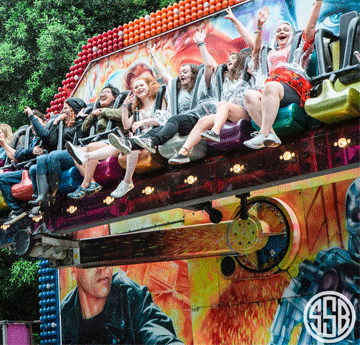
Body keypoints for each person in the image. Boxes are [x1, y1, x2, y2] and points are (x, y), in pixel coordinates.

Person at [109, 8, 258, 157]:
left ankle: (157, 143)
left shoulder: (207, 82)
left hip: (209, 114)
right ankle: (130, 144)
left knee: (174, 120)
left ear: (194, 75)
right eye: (180, 73)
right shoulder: (181, 88)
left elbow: (210, 65)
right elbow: (166, 76)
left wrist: (201, 44)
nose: (181, 75)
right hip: (193, 117)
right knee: (160, 127)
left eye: (185, 72)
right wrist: (153, 58)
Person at [168, 7, 269, 164]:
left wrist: (237, 22)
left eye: (234, 57)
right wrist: (201, 43)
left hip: (245, 110)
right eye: (228, 58)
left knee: (223, 105)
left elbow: (255, 47)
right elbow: (210, 65)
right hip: (226, 114)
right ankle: (183, 153)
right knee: (203, 121)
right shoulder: (223, 77)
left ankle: (215, 132)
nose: (229, 59)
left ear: (241, 60)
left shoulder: (248, 69)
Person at [61, 227, 183, 345]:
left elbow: (156, 332)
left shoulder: (130, 297)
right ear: (73, 270)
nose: (103, 266)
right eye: (91, 254)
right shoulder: (62, 318)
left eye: (107, 251)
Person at [66, 76, 168, 199]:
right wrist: (125, 106)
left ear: (149, 86)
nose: (139, 88)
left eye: (141, 85)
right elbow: (127, 125)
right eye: (136, 87)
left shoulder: (159, 100)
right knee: (122, 144)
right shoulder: (137, 109)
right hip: (138, 139)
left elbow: (163, 120)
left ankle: (126, 181)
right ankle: (86, 157)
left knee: (132, 142)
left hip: (154, 137)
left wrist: (141, 123)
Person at [242, 0, 323, 149]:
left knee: (271, 86)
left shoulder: (299, 48)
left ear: (292, 34)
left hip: (292, 89)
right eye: (278, 30)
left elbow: (311, 26)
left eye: (286, 29)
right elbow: (254, 47)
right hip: (271, 89)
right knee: (249, 95)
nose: (281, 32)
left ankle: (263, 133)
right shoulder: (269, 53)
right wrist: (259, 26)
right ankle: (269, 134)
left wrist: (318, 2)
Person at [27, 97, 87, 217]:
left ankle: (52, 194)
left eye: (65, 108)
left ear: (73, 108)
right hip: (62, 156)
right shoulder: (62, 124)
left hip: (76, 153)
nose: (62, 111)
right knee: (39, 161)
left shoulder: (81, 119)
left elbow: (82, 136)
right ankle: (42, 196)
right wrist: (55, 122)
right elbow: (52, 141)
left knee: (53, 156)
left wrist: (80, 118)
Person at [0, 111, 47, 226]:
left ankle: (31, 206)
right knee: (2, 178)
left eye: (37, 122)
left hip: (40, 168)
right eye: (32, 123)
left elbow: (13, 157)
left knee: (32, 169)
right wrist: (31, 151)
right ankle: (17, 210)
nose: (34, 126)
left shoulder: (47, 134)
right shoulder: (32, 139)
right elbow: (19, 155)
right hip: (27, 168)